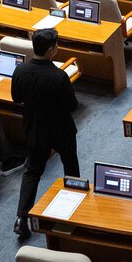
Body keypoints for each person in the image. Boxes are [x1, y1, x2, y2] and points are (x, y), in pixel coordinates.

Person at [11, 28, 80, 236]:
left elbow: (16, 98)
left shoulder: (20, 71)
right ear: (51, 50)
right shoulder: (59, 76)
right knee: (70, 166)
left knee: (32, 172)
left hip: (34, 129)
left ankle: (21, 217)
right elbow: (72, 105)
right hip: (61, 130)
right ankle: (74, 211)